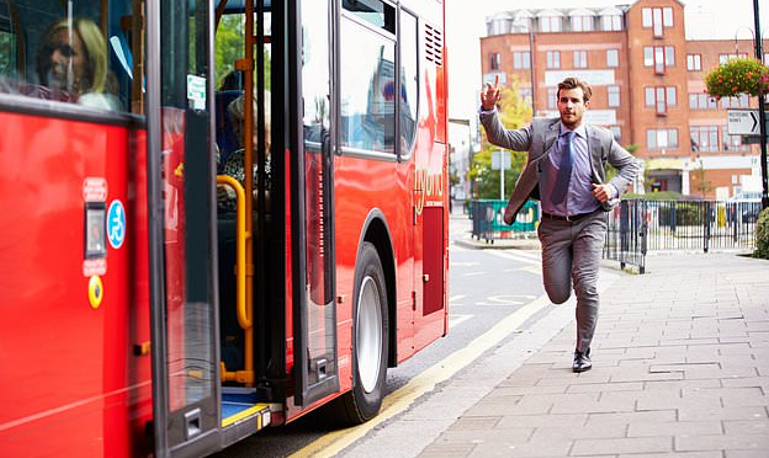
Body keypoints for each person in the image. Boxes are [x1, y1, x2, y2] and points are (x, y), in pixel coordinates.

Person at [479, 76, 640, 373]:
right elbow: (503, 138)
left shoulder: (600, 138)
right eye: (564, 100)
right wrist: (489, 111)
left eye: (575, 100)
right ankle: (566, 283)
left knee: (587, 286)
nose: (568, 106)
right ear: (558, 102)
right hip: (553, 227)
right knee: (558, 294)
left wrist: (613, 187)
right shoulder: (541, 130)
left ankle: (582, 350)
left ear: (585, 105)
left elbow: (630, 165)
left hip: (590, 221)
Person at [36, 17, 120, 110]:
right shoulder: (50, 99)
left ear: (89, 63)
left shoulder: (90, 106)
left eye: (67, 52)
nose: (53, 58)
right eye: (50, 50)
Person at [217, 90, 271, 213]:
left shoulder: (284, 157)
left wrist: (238, 193)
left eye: (241, 122)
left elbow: (281, 199)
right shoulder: (237, 157)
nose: (235, 129)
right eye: (234, 123)